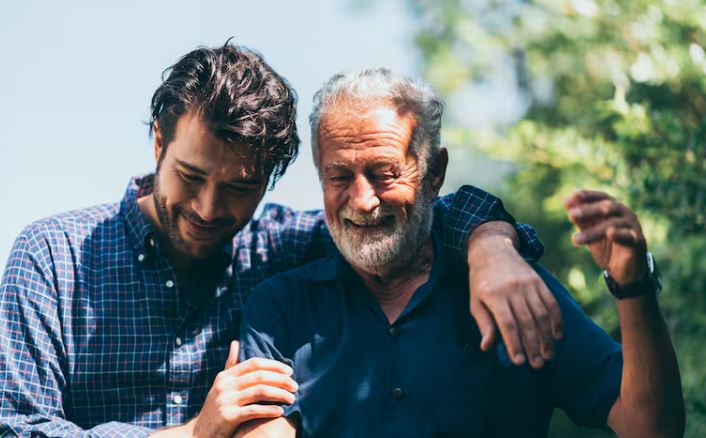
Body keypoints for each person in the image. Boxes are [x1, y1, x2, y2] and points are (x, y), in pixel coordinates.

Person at [0, 43, 561, 437]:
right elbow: (18, 430)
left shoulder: (282, 248)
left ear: (269, 180)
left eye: (239, 189)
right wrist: (196, 435)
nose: (208, 209)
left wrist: (492, 244)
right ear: (157, 145)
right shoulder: (53, 259)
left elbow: (411, 214)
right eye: (191, 177)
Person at [238, 68, 685, 437]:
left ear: (434, 173)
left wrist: (634, 285)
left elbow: (652, 427)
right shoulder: (281, 307)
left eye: (384, 173)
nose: (362, 200)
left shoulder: (514, 287)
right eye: (338, 177)